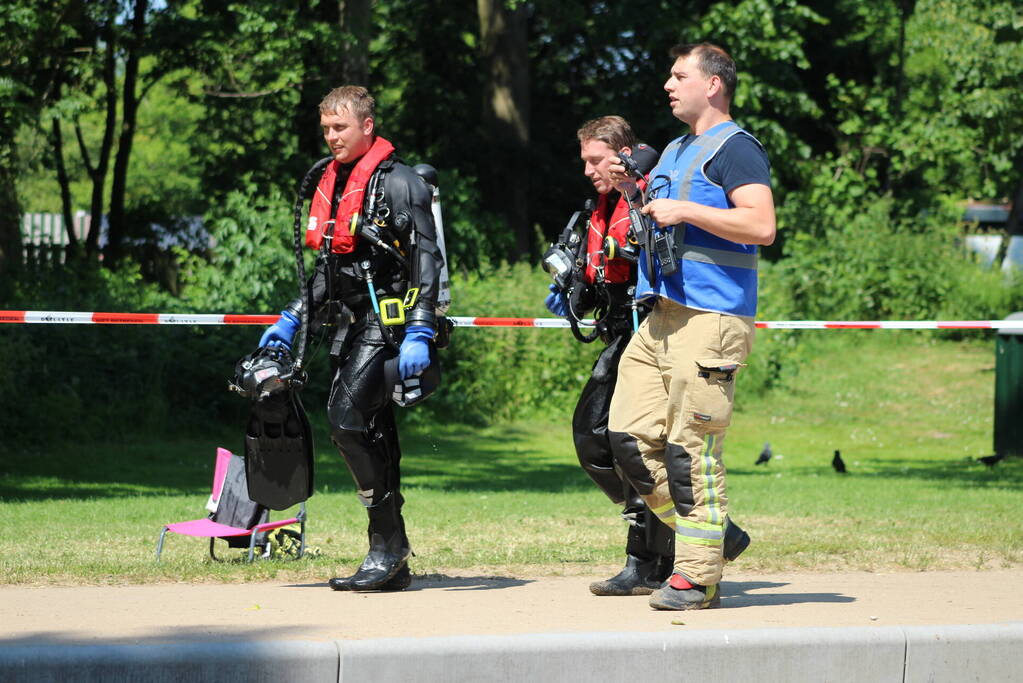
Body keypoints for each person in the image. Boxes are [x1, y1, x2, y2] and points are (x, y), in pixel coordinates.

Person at [546, 116, 751, 597]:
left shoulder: (646, 189)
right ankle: (700, 538)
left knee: (667, 445)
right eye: (586, 162)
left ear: (623, 155)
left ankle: (654, 560)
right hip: (631, 331)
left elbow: (657, 248)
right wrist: (575, 284)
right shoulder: (596, 208)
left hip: (659, 323)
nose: (589, 171)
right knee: (605, 440)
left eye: (596, 161)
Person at [606, 42, 776, 611]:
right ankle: (718, 537)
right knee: (626, 439)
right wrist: (636, 198)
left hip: (712, 319)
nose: (668, 85)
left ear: (714, 85)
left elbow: (761, 225)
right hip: (662, 316)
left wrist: (684, 212)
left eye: (679, 76)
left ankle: (698, 577)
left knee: (689, 449)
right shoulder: (676, 150)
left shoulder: (736, 149)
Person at [258, 85, 444, 592]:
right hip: (351, 326)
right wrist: (293, 316)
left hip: (390, 327)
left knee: (344, 422)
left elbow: (428, 258)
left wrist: (421, 330)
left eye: (339, 128)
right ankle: (389, 552)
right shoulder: (333, 182)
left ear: (367, 126)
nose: (331, 137)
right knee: (371, 430)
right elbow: (331, 266)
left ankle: (389, 545)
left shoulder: (401, 183)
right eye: (325, 129)